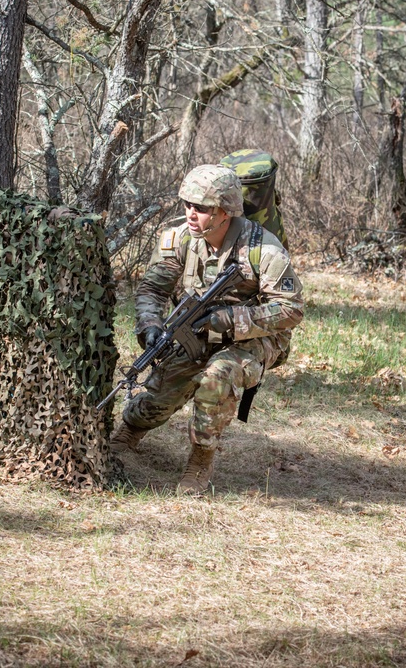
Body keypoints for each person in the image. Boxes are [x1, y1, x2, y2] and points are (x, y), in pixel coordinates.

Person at [110, 164, 304, 494]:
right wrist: (151, 325)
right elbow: (153, 290)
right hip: (196, 330)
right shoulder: (179, 239)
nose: (191, 213)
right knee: (162, 390)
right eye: (187, 204)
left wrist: (231, 319)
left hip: (254, 337)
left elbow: (291, 309)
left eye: (201, 208)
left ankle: (200, 460)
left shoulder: (263, 250)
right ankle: (131, 429)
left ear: (225, 212)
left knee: (217, 377)